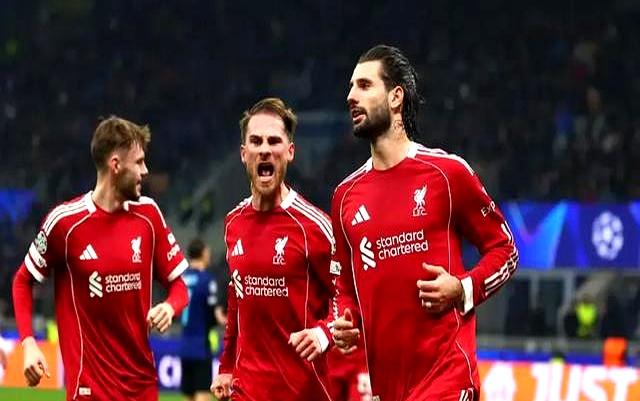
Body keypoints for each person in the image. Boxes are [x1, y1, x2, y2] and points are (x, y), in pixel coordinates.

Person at [330, 45, 519, 401]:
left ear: (396, 97)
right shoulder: (345, 197)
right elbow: (343, 285)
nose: (351, 96)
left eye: (365, 85)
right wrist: (343, 319)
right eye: (351, 87)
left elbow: (505, 251)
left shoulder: (447, 174)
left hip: (447, 379)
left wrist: (462, 289)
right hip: (387, 388)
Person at [11, 116, 190, 401]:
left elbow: (179, 286)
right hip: (89, 391)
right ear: (115, 165)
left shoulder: (149, 215)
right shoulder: (65, 224)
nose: (145, 170)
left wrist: (170, 307)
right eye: (139, 162)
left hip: (142, 388)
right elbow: (22, 281)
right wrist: (29, 343)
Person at [210, 97, 336, 401]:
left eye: (274, 141)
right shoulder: (233, 223)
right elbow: (237, 299)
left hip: (302, 392)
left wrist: (324, 334)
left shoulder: (315, 227)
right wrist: (226, 366)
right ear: (244, 154)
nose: (264, 149)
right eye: (256, 141)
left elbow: (347, 298)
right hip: (246, 389)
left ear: (290, 151)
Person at [180, 238, 223, 401]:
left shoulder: (182, 279)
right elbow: (213, 314)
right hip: (201, 345)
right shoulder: (207, 280)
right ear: (203, 253)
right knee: (203, 394)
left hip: (184, 345)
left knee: (189, 396)